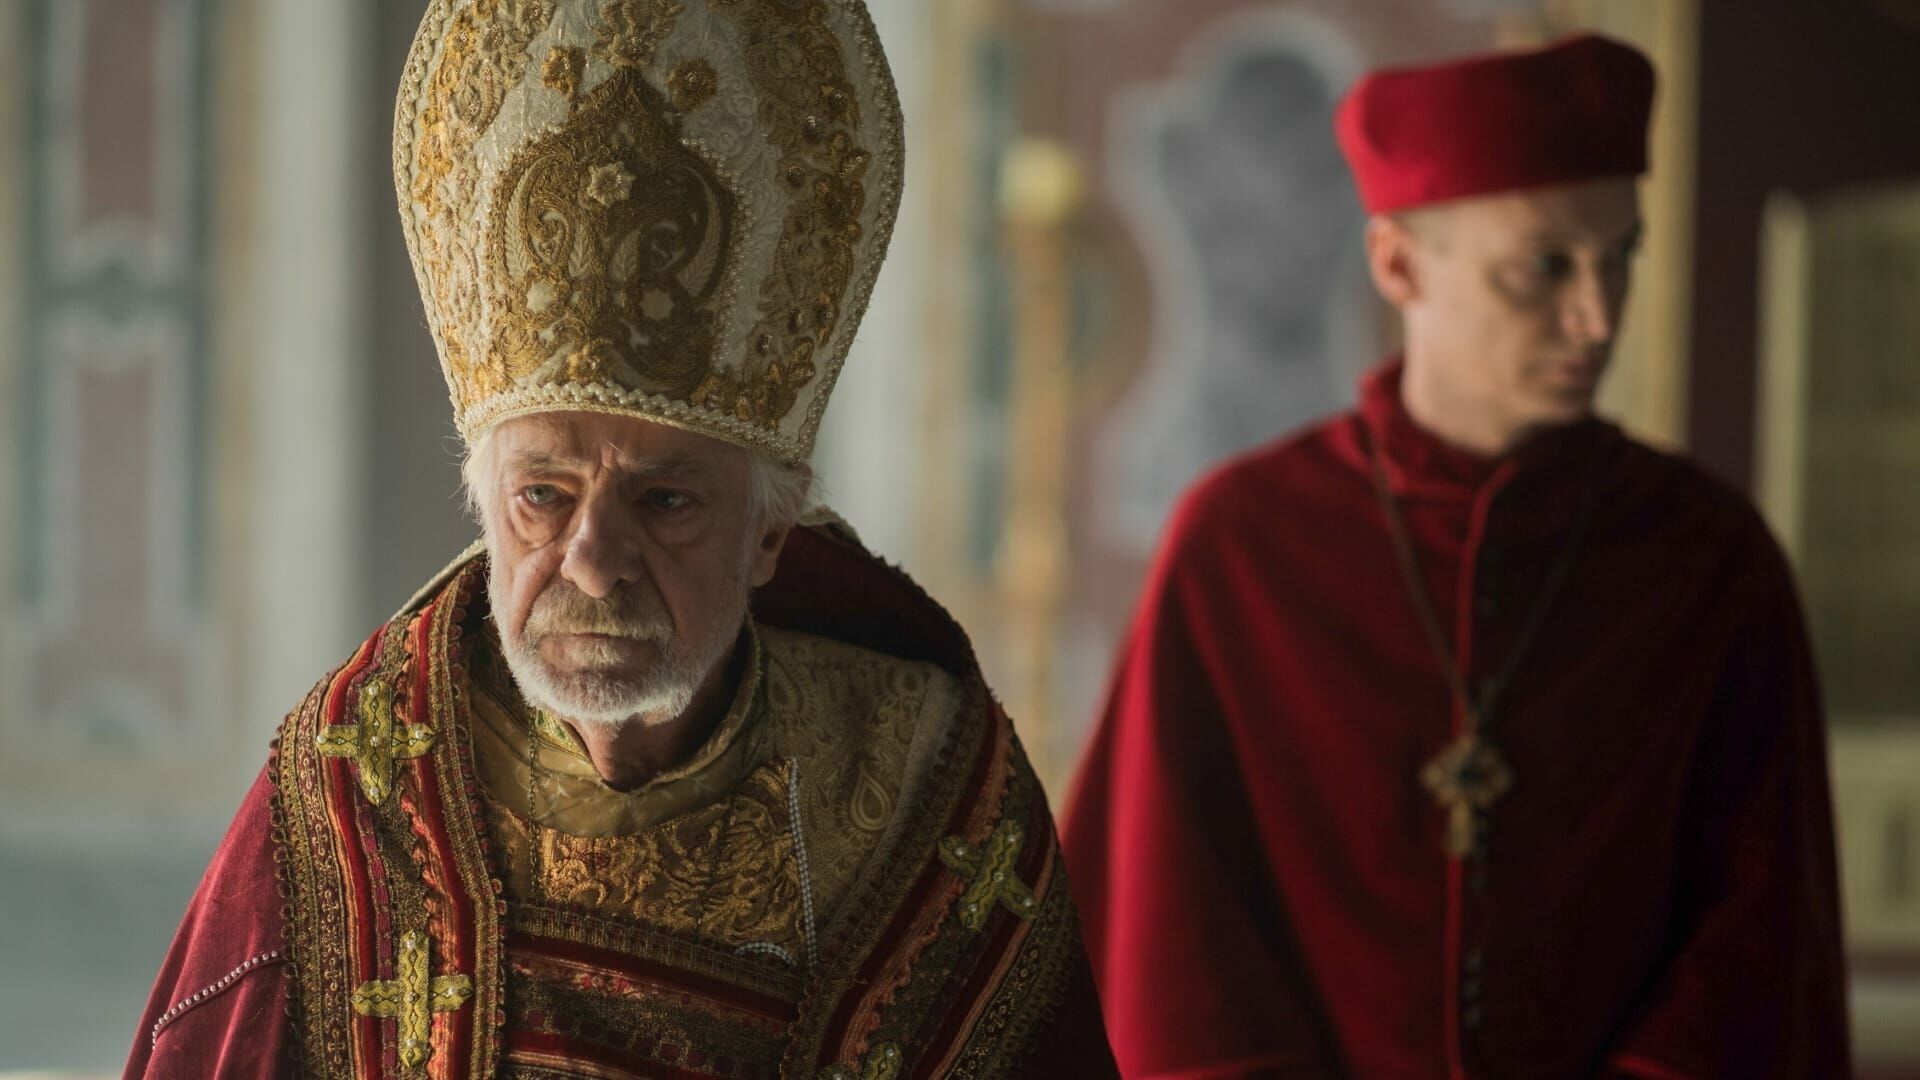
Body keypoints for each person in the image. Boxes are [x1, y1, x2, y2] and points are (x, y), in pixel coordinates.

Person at [126, 1, 1114, 1075]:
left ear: (771, 533)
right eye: (542, 497)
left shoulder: (927, 789)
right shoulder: (349, 794)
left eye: (667, 501)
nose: (592, 562)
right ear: (485, 507)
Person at [1062, 34, 1849, 1080]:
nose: (1598, 316)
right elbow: (1169, 940)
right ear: (1399, 265)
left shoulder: (1711, 562)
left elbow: (1757, 940)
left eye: (1620, 257)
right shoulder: (1238, 548)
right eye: (1544, 267)